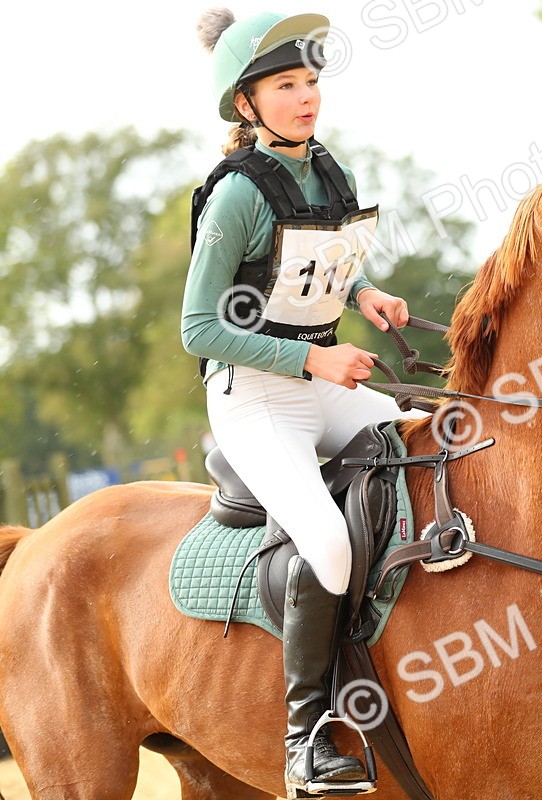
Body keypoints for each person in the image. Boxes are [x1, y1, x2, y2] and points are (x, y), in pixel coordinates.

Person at [183, 9, 418, 794]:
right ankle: (304, 741)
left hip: (322, 385)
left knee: (423, 438)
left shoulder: (325, 170)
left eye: (312, 80)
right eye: (287, 85)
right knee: (326, 539)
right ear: (247, 104)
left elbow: (316, 270)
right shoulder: (235, 198)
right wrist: (315, 353)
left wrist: (367, 292)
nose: (307, 96)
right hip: (255, 400)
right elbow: (197, 328)